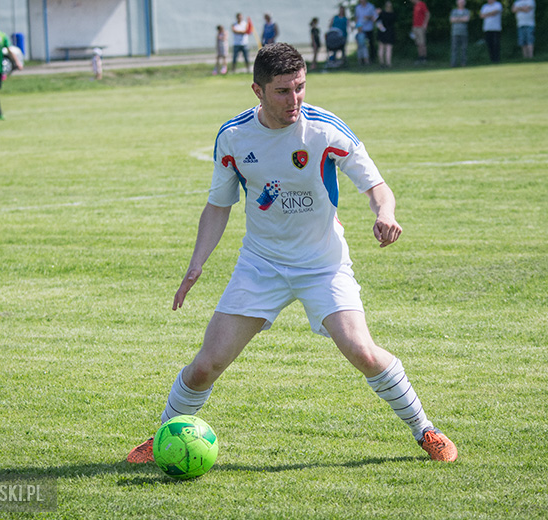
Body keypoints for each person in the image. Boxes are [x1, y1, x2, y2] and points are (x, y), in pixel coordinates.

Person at [126, 42, 458, 465]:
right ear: (257, 91)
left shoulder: (324, 130)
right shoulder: (233, 137)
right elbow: (219, 205)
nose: (295, 100)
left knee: (364, 352)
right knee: (205, 366)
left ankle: (425, 430)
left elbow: (376, 185)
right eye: (283, 91)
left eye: (300, 87)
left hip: (323, 264)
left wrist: (385, 213)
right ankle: (161, 441)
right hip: (260, 264)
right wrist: (197, 264)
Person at [355, 0, 378, 64]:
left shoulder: (371, 6)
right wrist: (357, 27)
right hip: (361, 29)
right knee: (361, 45)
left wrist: (369, 17)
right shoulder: (358, 8)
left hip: (369, 28)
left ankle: (372, 58)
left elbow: (375, 17)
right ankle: (362, 59)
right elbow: (357, 17)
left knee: (371, 44)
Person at [449, 0, 471, 67]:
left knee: (464, 48)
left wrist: (457, 19)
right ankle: (453, 63)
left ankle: (463, 63)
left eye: (462, 2)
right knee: (454, 49)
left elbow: (466, 19)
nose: (461, 4)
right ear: (457, 3)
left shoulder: (467, 11)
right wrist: (461, 18)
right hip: (455, 33)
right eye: (459, 2)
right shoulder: (454, 11)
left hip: (464, 33)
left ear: (464, 3)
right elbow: (451, 20)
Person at [376, 1, 397, 68]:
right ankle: (388, 63)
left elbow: (377, 22)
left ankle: (381, 63)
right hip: (390, 32)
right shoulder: (393, 14)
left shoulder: (382, 13)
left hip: (382, 33)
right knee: (389, 49)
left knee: (381, 48)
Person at [410, 0, 430, 65]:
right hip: (415, 27)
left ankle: (424, 58)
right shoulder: (415, 6)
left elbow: (427, 14)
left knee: (422, 43)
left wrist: (425, 24)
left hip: (420, 27)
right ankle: (420, 57)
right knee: (418, 43)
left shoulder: (422, 4)